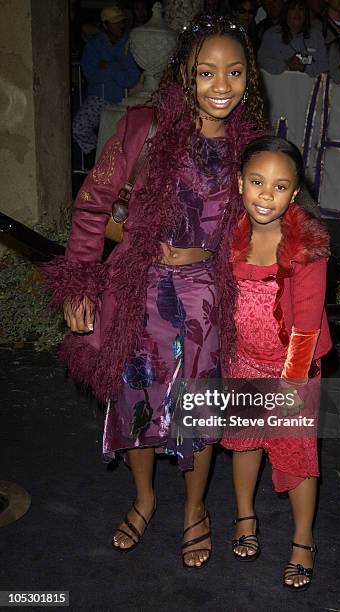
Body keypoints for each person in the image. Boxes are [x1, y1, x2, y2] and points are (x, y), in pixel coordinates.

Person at [43, 14, 265, 568]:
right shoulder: (145, 128)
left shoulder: (254, 146)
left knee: (200, 413)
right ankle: (143, 498)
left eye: (234, 73)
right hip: (138, 291)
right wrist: (80, 284)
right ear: (185, 74)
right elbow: (94, 205)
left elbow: (276, 223)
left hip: (208, 300)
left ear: (248, 78)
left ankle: (196, 510)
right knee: (134, 400)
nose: (221, 85)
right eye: (207, 72)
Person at [219, 136, 331, 589]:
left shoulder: (306, 245)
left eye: (280, 186)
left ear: (295, 192)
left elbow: (306, 322)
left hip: (292, 370)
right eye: (257, 182)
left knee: (297, 455)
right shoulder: (230, 233)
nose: (266, 195)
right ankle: (245, 517)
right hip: (242, 362)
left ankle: (303, 539)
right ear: (239, 183)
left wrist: (291, 386)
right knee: (244, 444)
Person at [72, 6, 141, 156]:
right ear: (105, 25)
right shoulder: (94, 45)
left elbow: (131, 78)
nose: (120, 26)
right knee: (79, 126)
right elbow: (90, 73)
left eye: (121, 22)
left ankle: (112, 167)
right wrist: (116, 69)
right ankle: (97, 156)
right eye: (115, 22)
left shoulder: (129, 45)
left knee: (123, 139)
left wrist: (110, 67)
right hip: (98, 98)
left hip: (121, 101)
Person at [258, 0, 328, 77]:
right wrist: (287, 65)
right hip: (280, 85)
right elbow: (262, 62)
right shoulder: (272, 35)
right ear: (286, 12)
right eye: (292, 9)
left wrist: (304, 67)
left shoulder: (316, 36)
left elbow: (324, 66)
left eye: (301, 9)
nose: (297, 13)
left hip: (308, 86)